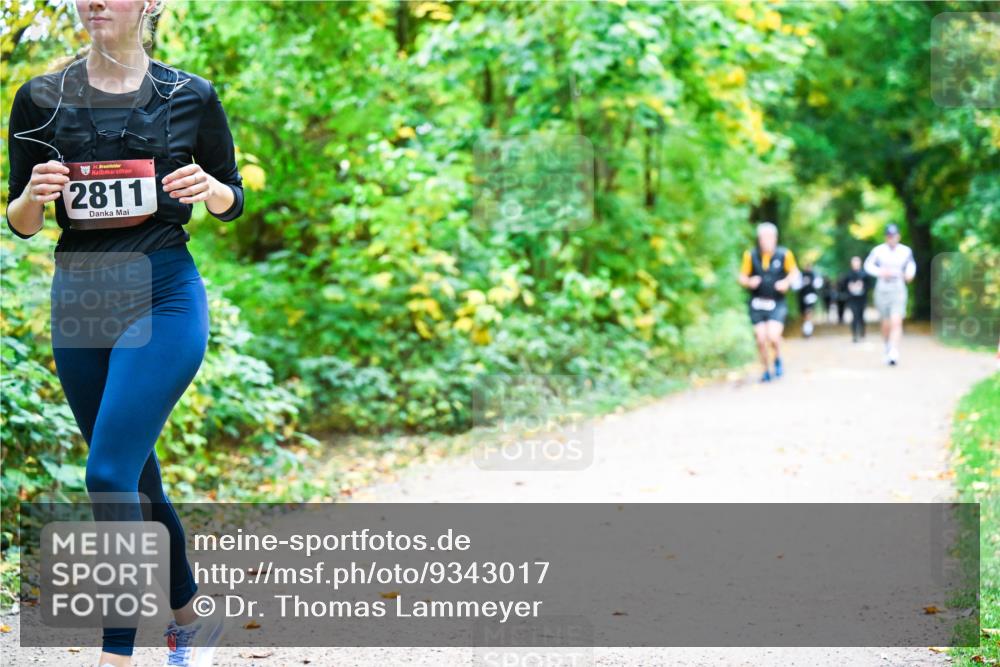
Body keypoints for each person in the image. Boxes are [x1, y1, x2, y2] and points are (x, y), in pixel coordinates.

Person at [6, 1, 243, 665]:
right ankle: (191, 614)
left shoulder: (190, 95)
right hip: (81, 298)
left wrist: (212, 190)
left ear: (151, 3)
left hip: (164, 293)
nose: (94, 1)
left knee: (107, 470)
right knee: (136, 478)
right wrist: (35, 195)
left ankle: (118, 652)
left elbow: (234, 196)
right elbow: (20, 219)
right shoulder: (40, 100)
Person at [738, 222, 800, 382]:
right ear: (759, 239)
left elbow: (794, 272)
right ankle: (766, 370)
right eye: (763, 238)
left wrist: (786, 282)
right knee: (760, 338)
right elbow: (741, 277)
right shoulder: (750, 255)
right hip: (757, 302)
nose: (766, 241)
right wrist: (749, 281)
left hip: (777, 302)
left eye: (769, 237)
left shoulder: (784, 254)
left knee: (772, 336)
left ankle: (777, 358)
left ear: (775, 238)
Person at [863, 224, 916, 365]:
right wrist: (880, 272)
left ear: (898, 236)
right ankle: (887, 345)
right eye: (889, 236)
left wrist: (909, 274)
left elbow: (911, 266)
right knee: (886, 322)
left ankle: (894, 350)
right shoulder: (878, 251)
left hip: (898, 287)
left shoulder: (905, 251)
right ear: (886, 237)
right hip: (883, 287)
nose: (892, 238)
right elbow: (868, 265)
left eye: (894, 236)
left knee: (896, 320)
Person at [840, 256, 870, 342]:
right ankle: (855, 335)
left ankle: (862, 332)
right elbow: (843, 286)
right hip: (852, 299)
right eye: (854, 262)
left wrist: (862, 286)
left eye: (857, 262)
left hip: (862, 298)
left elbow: (869, 286)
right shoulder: (848, 275)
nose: (855, 264)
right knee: (854, 316)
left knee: (861, 316)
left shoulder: (865, 275)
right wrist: (849, 287)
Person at [797, 264, 822, 337]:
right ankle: (805, 329)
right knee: (803, 314)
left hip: (811, 296)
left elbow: (818, 285)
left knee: (809, 312)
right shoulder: (801, 275)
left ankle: (808, 331)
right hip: (801, 296)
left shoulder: (814, 275)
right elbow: (796, 286)